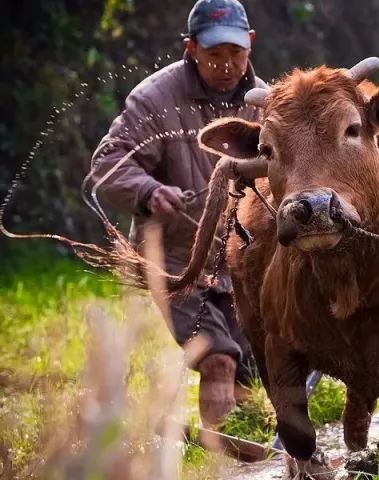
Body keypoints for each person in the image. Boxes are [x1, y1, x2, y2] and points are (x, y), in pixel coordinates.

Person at [85, 0, 265, 427]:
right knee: (217, 357)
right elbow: (107, 164)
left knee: (253, 368)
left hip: (242, 259)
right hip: (173, 259)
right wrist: (149, 191)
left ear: (251, 45)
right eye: (214, 55)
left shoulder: (265, 102)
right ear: (191, 49)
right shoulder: (156, 99)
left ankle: (246, 451)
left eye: (235, 54)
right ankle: (218, 452)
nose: (226, 66)